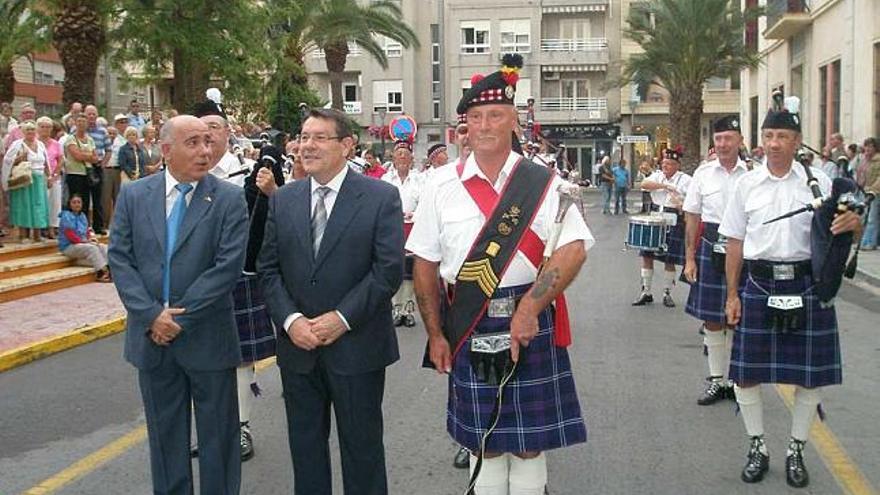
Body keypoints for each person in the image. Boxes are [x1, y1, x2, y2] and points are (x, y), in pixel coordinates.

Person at [408, 54, 591, 495]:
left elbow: (573, 249)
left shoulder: (544, 183)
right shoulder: (439, 186)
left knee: (529, 445)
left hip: (529, 319)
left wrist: (530, 307)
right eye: (475, 116)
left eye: (495, 114)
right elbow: (425, 266)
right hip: (468, 319)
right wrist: (435, 333)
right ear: (463, 127)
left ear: (514, 120)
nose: (485, 124)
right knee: (483, 442)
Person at [258, 108, 403, 495]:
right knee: (305, 452)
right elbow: (268, 270)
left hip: (357, 349)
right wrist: (292, 322)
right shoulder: (283, 200)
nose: (307, 145)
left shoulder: (380, 197)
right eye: (304, 137)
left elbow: (387, 271)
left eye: (319, 137)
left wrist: (341, 318)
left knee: (363, 453)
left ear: (347, 145)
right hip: (299, 351)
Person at [721, 96, 862, 489]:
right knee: (746, 376)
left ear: (798, 141)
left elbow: (852, 222)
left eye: (783, 135)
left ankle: (797, 447)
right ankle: (757, 445)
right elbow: (734, 241)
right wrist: (732, 295)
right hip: (758, 282)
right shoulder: (746, 184)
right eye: (769, 135)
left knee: (809, 379)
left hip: (807, 283)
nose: (775, 143)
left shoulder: (822, 183)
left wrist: (854, 221)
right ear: (761, 140)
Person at [108, 115, 248, 495]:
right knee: (165, 440)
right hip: (152, 340)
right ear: (166, 149)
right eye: (193, 143)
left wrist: (179, 318)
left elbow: (227, 267)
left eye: (208, 141)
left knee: (219, 439)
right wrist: (152, 314)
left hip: (207, 337)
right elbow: (120, 259)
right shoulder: (135, 196)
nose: (205, 151)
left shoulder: (229, 199)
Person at [192, 97, 274, 462]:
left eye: (216, 127)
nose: (209, 135)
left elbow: (272, 217)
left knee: (240, 355)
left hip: (239, 272)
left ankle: (240, 427)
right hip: (195, 275)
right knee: (203, 353)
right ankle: (212, 428)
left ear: (228, 133)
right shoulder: (188, 174)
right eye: (202, 129)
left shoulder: (250, 172)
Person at [682, 115, 749, 405]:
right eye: (718, 139)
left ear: (740, 141)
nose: (722, 144)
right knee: (712, 319)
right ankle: (716, 381)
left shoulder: (752, 174)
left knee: (737, 317)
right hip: (711, 245)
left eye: (728, 138)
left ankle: (733, 381)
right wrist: (690, 259)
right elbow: (692, 217)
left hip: (745, 248)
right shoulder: (703, 174)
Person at [633, 147, 691, 308]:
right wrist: (665, 187)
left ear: (677, 165)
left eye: (670, 164)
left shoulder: (686, 180)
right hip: (655, 216)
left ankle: (667, 293)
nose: (665, 166)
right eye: (664, 163)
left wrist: (681, 204)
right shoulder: (658, 176)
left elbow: (692, 202)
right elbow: (644, 183)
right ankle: (646, 291)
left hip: (673, 218)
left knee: (669, 258)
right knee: (647, 256)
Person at [382, 140, 423, 327]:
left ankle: (408, 310)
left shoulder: (420, 179)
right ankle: (396, 308)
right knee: (394, 268)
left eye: (406, 155)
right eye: (399, 155)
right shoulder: (386, 179)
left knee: (410, 272)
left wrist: (415, 213)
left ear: (411, 159)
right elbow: (380, 204)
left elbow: (426, 202)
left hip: (413, 229)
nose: (403, 158)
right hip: (392, 228)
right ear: (393, 158)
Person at [1, 121, 50, 243]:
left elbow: (46, 162)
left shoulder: (40, 144)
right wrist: (19, 158)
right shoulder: (17, 145)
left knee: (38, 206)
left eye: (33, 129)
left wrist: (49, 177)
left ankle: (38, 235)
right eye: (28, 129)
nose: (31, 132)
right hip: (24, 179)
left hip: (38, 179)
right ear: (23, 132)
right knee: (24, 206)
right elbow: (7, 161)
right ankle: (24, 236)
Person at [58, 194, 111, 282]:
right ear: (69, 204)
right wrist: (86, 241)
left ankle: (110, 268)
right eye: (74, 202)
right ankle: (101, 273)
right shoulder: (66, 216)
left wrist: (92, 238)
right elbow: (71, 236)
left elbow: (87, 231)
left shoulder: (82, 216)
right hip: (69, 246)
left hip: (82, 245)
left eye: (79, 202)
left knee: (102, 247)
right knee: (92, 248)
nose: (77, 204)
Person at [64, 115, 99, 231]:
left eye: (84, 121)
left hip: (87, 174)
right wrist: (88, 155)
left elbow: (96, 158)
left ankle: (83, 227)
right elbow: (76, 156)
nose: (81, 124)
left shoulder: (90, 139)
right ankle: (72, 226)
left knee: (85, 201)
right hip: (74, 174)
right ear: (75, 123)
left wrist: (84, 155)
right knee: (74, 200)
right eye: (79, 121)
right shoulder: (71, 139)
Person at [84, 105, 109, 234]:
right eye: (89, 114)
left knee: (98, 198)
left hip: (97, 166)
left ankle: (98, 227)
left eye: (94, 114)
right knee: (84, 198)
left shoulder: (103, 131)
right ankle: (83, 227)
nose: (91, 116)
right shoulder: (78, 130)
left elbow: (108, 150)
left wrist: (103, 164)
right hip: (83, 167)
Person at [37, 116, 63, 239]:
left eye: (48, 127)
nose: (45, 129)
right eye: (42, 126)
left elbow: (61, 160)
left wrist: (54, 175)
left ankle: (53, 228)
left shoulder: (56, 144)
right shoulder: (34, 142)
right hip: (40, 177)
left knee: (55, 203)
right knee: (42, 202)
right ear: (38, 128)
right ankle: (42, 228)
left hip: (54, 177)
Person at [858, 137, 880, 250]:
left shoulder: (878, 160)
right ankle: (866, 241)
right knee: (866, 217)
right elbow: (862, 176)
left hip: (875, 193)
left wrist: (873, 189)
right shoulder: (866, 160)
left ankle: (870, 242)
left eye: (869, 146)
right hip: (866, 191)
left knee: (872, 218)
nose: (867, 149)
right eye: (866, 146)